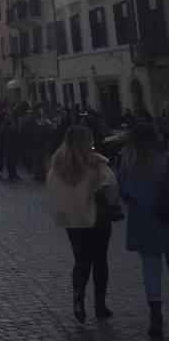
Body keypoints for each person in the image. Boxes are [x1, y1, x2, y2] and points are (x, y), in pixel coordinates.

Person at [47, 125, 119, 325]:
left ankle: (78, 296)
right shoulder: (95, 162)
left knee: (81, 260)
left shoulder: (57, 164)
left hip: (72, 220)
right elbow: (111, 185)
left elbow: (51, 188)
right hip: (96, 218)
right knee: (100, 261)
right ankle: (100, 305)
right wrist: (108, 199)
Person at [114, 121, 169, 337]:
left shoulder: (129, 163)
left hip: (143, 221)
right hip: (165, 219)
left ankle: (155, 313)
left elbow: (123, 190)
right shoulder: (164, 160)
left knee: (151, 269)